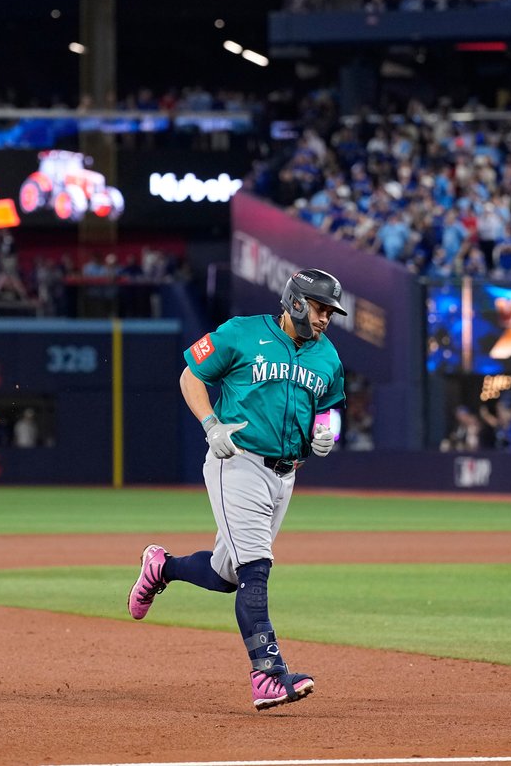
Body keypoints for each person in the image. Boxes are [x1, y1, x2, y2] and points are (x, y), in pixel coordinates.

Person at [127, 268, 347, 711]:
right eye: (320, 308)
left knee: (227, 574)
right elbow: (191, 376)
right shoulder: (241, 333)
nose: (326, 318)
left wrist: (329, 431)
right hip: (238, 463)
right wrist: (211, 424)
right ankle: (267, 675)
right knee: (256, 567)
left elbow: (330, 408)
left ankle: (162, 567)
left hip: (286, 474)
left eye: (330, 312)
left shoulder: (327, 355)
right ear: (296, 302)